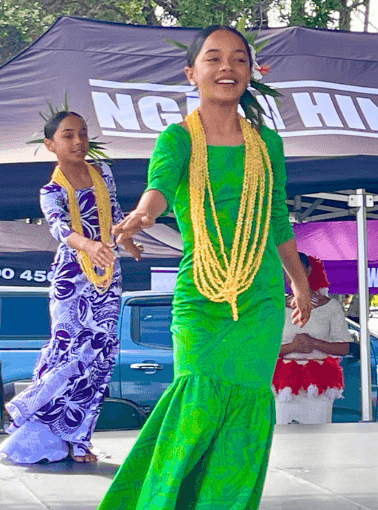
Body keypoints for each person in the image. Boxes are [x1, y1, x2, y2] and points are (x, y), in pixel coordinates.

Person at [97, 25, 311, 509]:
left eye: (238, 59)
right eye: (214, 58)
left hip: (258, 297)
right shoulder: (178, 139)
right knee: (195, 403)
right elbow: (159, 186)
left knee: (243, 417)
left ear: (251, 73)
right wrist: (143, 215)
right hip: (201, 290)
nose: (227, 67)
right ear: (191, 72)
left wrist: (299, 283)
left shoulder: (267, 145)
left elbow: (277, 219)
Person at [0, 112, 141, 464]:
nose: (78, 141)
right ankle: (29, 414)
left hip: (108, 271)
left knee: (100, 355)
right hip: (72, 276)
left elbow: (116, 212)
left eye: (83, 133)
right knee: (69, 352)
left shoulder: (102, 173)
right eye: (68, 135)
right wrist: (89, 245)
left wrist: (126, 237)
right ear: (51, 145)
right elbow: (60, 228)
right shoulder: (51, 190)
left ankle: (78, 439)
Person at [273, 253, 348, 424]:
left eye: (298, 267)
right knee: (284, 435)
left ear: (308, 270)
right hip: (283, 382)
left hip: (320, 381)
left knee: (319, 436)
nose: (293, 272)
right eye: (288, 268)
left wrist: (314, 343)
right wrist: (292, 346)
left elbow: (343, 348)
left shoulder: (331, 306)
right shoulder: (275, 307)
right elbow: (264, 349)